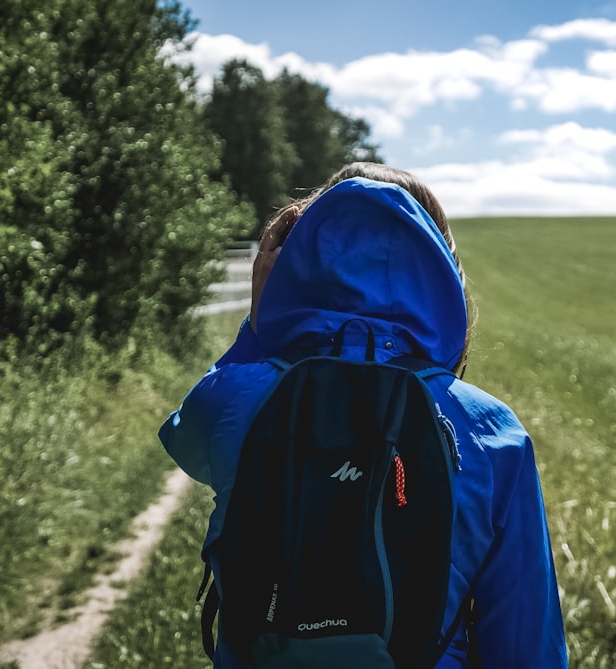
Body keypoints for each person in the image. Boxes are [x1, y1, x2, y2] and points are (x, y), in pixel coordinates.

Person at [159, 162, 568, 667]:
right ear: (441, 276)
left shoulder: (240, 398)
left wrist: (260, 326)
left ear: (305, 256)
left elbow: (186, 436)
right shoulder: (492, 432)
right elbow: (526, 648)